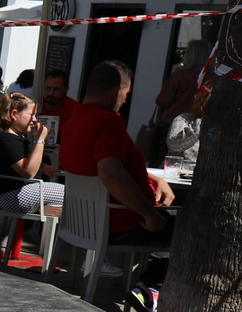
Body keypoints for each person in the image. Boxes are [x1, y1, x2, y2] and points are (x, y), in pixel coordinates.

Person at [59, 61, 176, 252]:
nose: (124, 100)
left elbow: (96, 167)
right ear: (116, 92)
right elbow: (110, 173)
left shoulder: (73, 121)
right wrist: (148, 213)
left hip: (82, 223)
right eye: (126, 94)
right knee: (190, 230)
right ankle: (151, 281)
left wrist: (154, 179)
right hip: (121, 224)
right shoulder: (107, 121)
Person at [0, 90, 63, 218]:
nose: (34, 120)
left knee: (63, 203)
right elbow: (28, 172)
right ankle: (58, 234)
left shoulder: (6, 135)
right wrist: (39, 140)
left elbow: (16, 160)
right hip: (11, 196)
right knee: (70, 195)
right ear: (14, 114)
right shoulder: (6, 139)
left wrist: (43, 167)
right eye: (31, 115)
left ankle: (51, 230)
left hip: (12, 193)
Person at [155, 39, 211, 125]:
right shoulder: (212, 78)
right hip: (198, 124)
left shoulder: (181, 74)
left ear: (191, 55)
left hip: (173, 121)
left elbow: (163, 100)